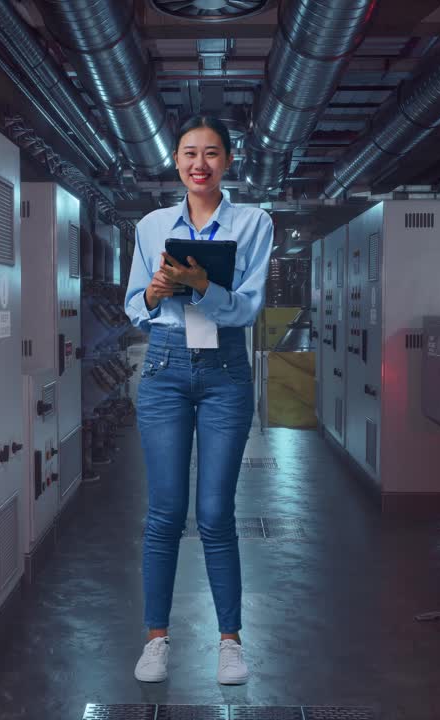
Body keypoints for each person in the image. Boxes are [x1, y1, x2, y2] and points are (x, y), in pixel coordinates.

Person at [122, 115, 274, 686]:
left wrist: (202, 284)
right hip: (163, 364)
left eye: (212, 153)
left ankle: (230, 642)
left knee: (214, 514)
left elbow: (247, 306)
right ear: (177, 161)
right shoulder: (152, 224)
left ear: (228, 162)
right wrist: (157, 290)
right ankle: (156, 639)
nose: (199, 164)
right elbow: (136, 303)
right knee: (163, 513)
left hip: (225, 369)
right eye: (189, 153)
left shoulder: (253, 223)